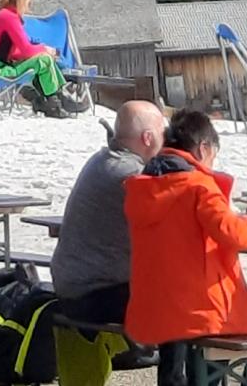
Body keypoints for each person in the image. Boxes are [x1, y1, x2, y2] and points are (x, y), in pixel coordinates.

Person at [124, 107, 247, 386]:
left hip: (155, 309)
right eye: (213, 154)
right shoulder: (197, 185)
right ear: (202, 149)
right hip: (194, 311)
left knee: (215, 329)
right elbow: (232, 232)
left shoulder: (143, 186)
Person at [48, 96, 165, 339]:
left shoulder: (103, 159)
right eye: (162, 132)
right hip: (95, 295)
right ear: (147, 138)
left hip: (73, 286)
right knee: (184, 304)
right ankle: (183, 365)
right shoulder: (131, 175)